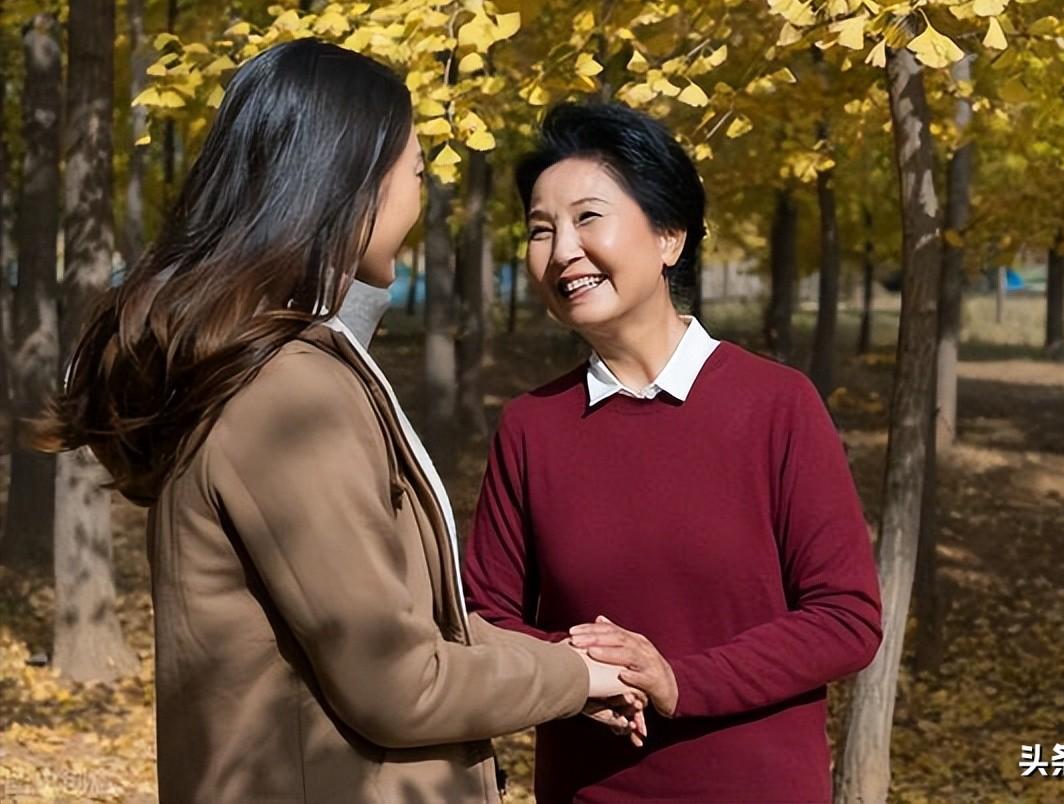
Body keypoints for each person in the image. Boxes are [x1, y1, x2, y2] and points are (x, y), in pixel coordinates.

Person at [35, 40, 640, 804]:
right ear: (349, 180)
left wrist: (574, 668)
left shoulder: (266, 366)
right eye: (414, 172)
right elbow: (398, 680)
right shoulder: (288, 393)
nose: (421, 194)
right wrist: (572, 675)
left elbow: (414, 625)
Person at [464, 101, 885, 803]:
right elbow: (485, 616)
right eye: (541, 230)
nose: (562, 249)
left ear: (669, 237)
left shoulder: (777, 405)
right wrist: (577, 675)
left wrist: (678, 680)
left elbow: (845, 616)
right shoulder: (531, 427)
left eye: (588, 217)